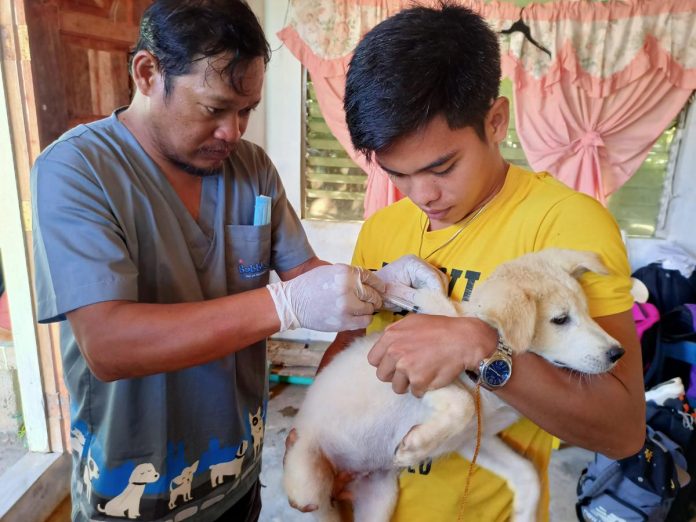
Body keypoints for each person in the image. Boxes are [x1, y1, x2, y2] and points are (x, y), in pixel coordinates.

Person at [30, 1, 442, 521]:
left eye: (246, 110)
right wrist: (284, 305)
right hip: (132, 492)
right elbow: (109, 344)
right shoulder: (77, 170)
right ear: (147, 73)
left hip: (237, 473)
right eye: (214, 108)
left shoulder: (251, 168)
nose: (234, 131)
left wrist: (378, 285)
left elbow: (304, 278)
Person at [311, 3, 647, 521]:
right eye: (398, 173)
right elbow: (349, 345)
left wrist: (480, 343)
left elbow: (622, 429)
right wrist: (314, 440)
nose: (423, 194)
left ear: (495, 121)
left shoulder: (565, 226)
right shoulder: (386, 226)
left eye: (442, 166)